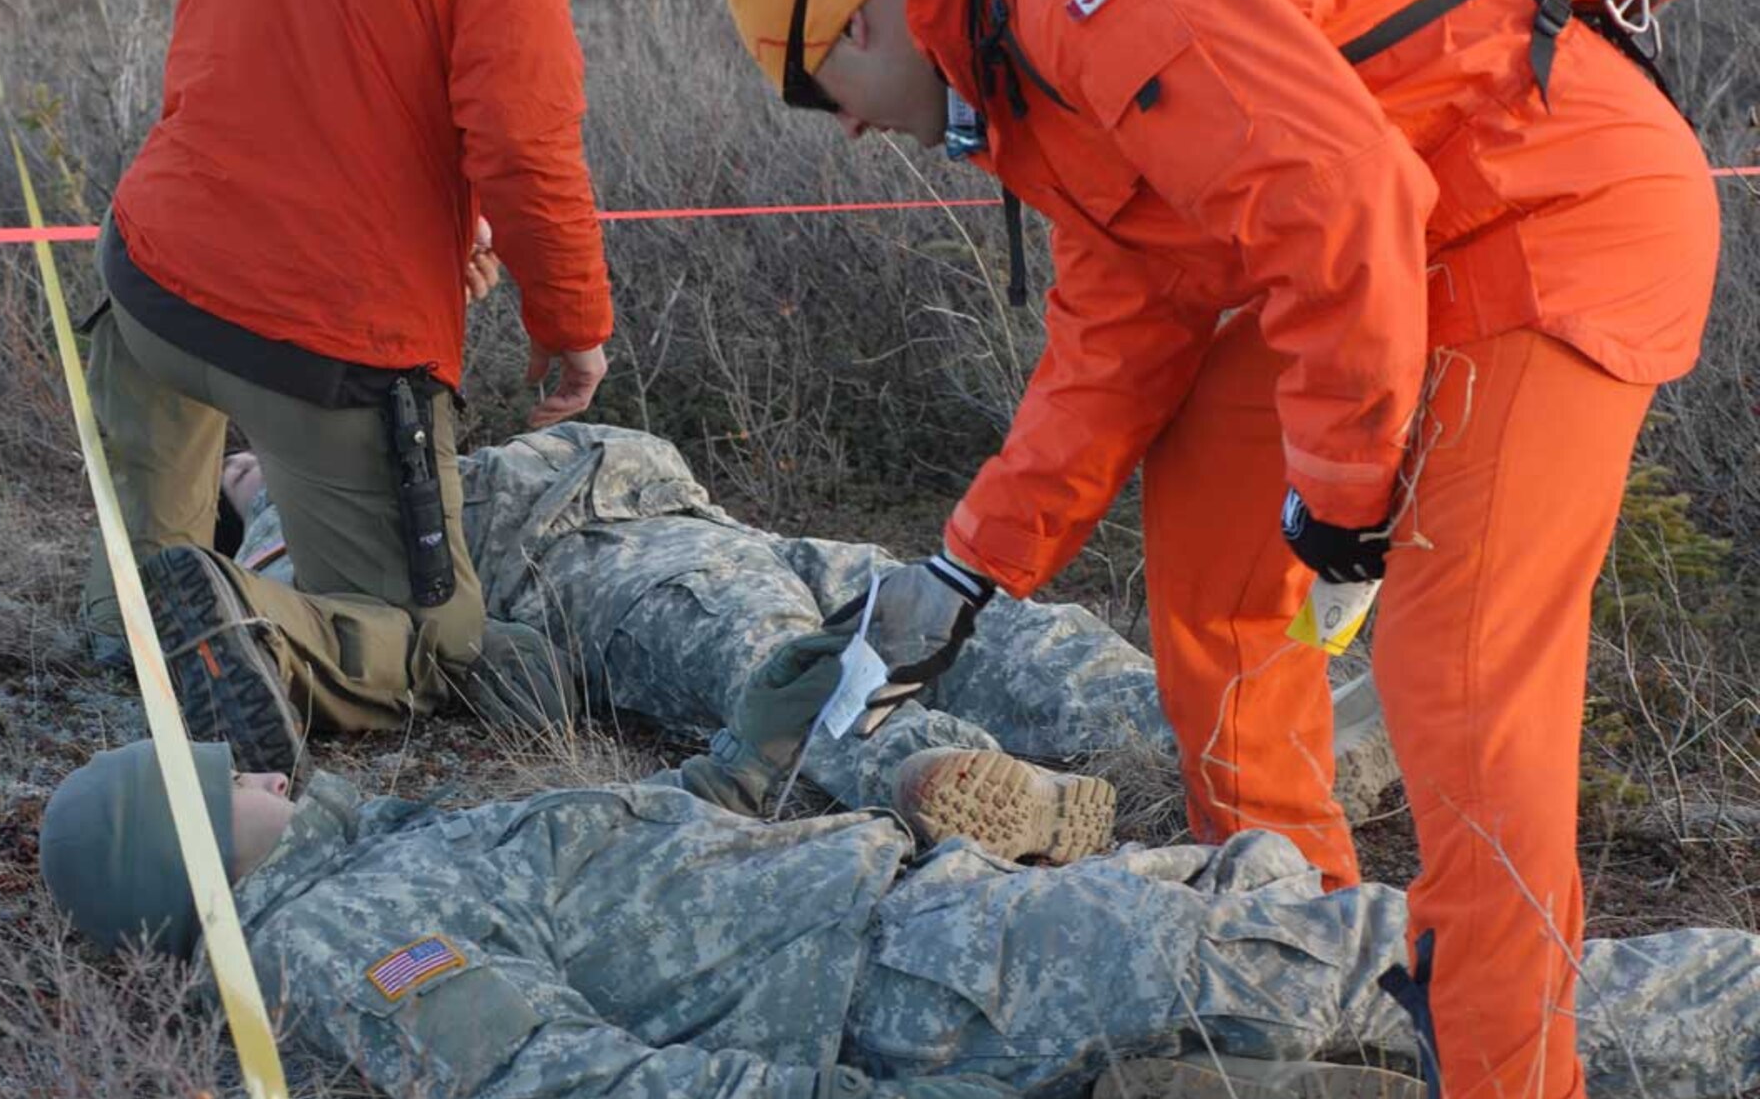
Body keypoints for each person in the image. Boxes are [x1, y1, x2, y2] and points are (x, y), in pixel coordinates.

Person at [720, 0, 1720, 1099]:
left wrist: (1349, 500)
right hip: (1406, 255)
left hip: (1545, 214)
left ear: (847, 14)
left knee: (1461, 687)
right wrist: (960, 574)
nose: (838, 129)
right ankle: (1295, 951)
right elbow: (1115, 345)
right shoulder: (1031, 81)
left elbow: (1338, 187)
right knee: (1211, 549)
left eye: (811, 89)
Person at [37, 638, 1760, 1099]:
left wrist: (740, 761)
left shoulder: (376, 861)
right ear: (190, 860)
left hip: (928, 921)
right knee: (1389, 961)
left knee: (1287, 926)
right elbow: (558, 1073)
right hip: (928, 976)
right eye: (223, 782)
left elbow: (629, 914)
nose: (262, 767)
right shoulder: (345, 945)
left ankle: (1225, 1096)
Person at [208, 422, 1398, 828]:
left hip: (719, 525)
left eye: (252, 455)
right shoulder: (304, 536)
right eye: (239, 473)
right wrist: (263, 518)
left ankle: (1261, 735)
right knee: (789, 666)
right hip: (610, 569)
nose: (256, 461)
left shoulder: (412, 444)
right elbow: (344, 633)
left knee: (997, 623)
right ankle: (958, 784)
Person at [78, 0, 616, 772]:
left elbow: (272, 54)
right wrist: (572, 323)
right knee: (439, 646)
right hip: (323, 333)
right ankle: (241, 627)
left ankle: (133, 626)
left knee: (147, 583)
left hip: (150, 275)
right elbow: (523, 137)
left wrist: (444, 226)